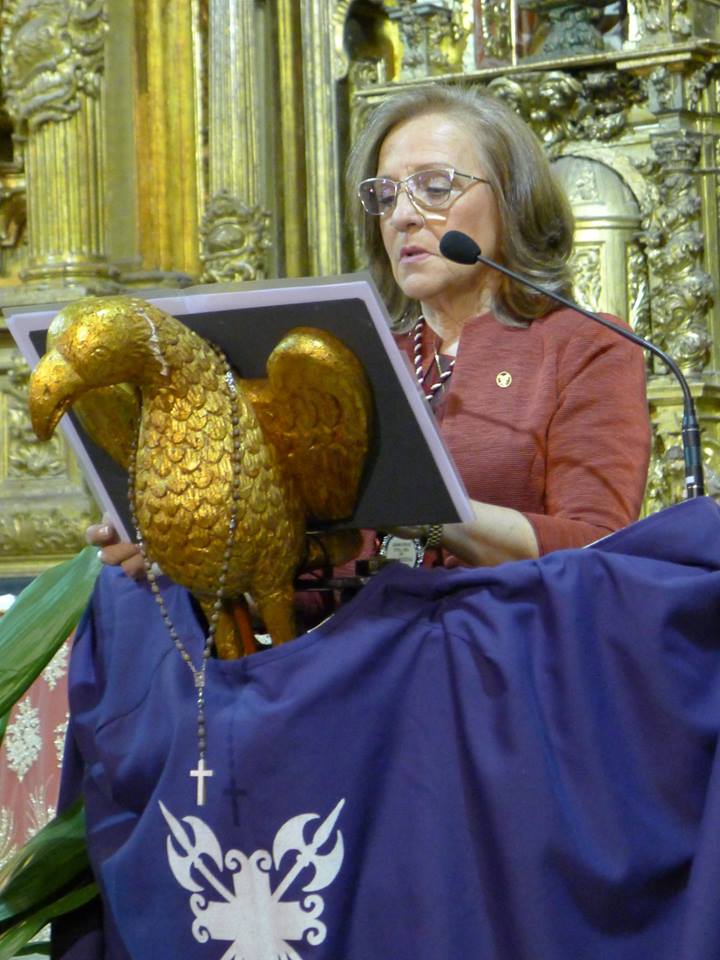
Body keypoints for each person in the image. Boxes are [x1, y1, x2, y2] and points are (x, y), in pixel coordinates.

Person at [89, 83, 650, 579]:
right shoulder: (358, 356)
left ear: (512, 199)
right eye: (385, 195)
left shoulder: (583, 346)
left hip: (503, 646)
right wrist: (191, 548)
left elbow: (598, 547)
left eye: (434, 187)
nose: (402, 216)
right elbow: (319, 564)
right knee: (120, 599)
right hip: (352, 639)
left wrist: (431, 509)